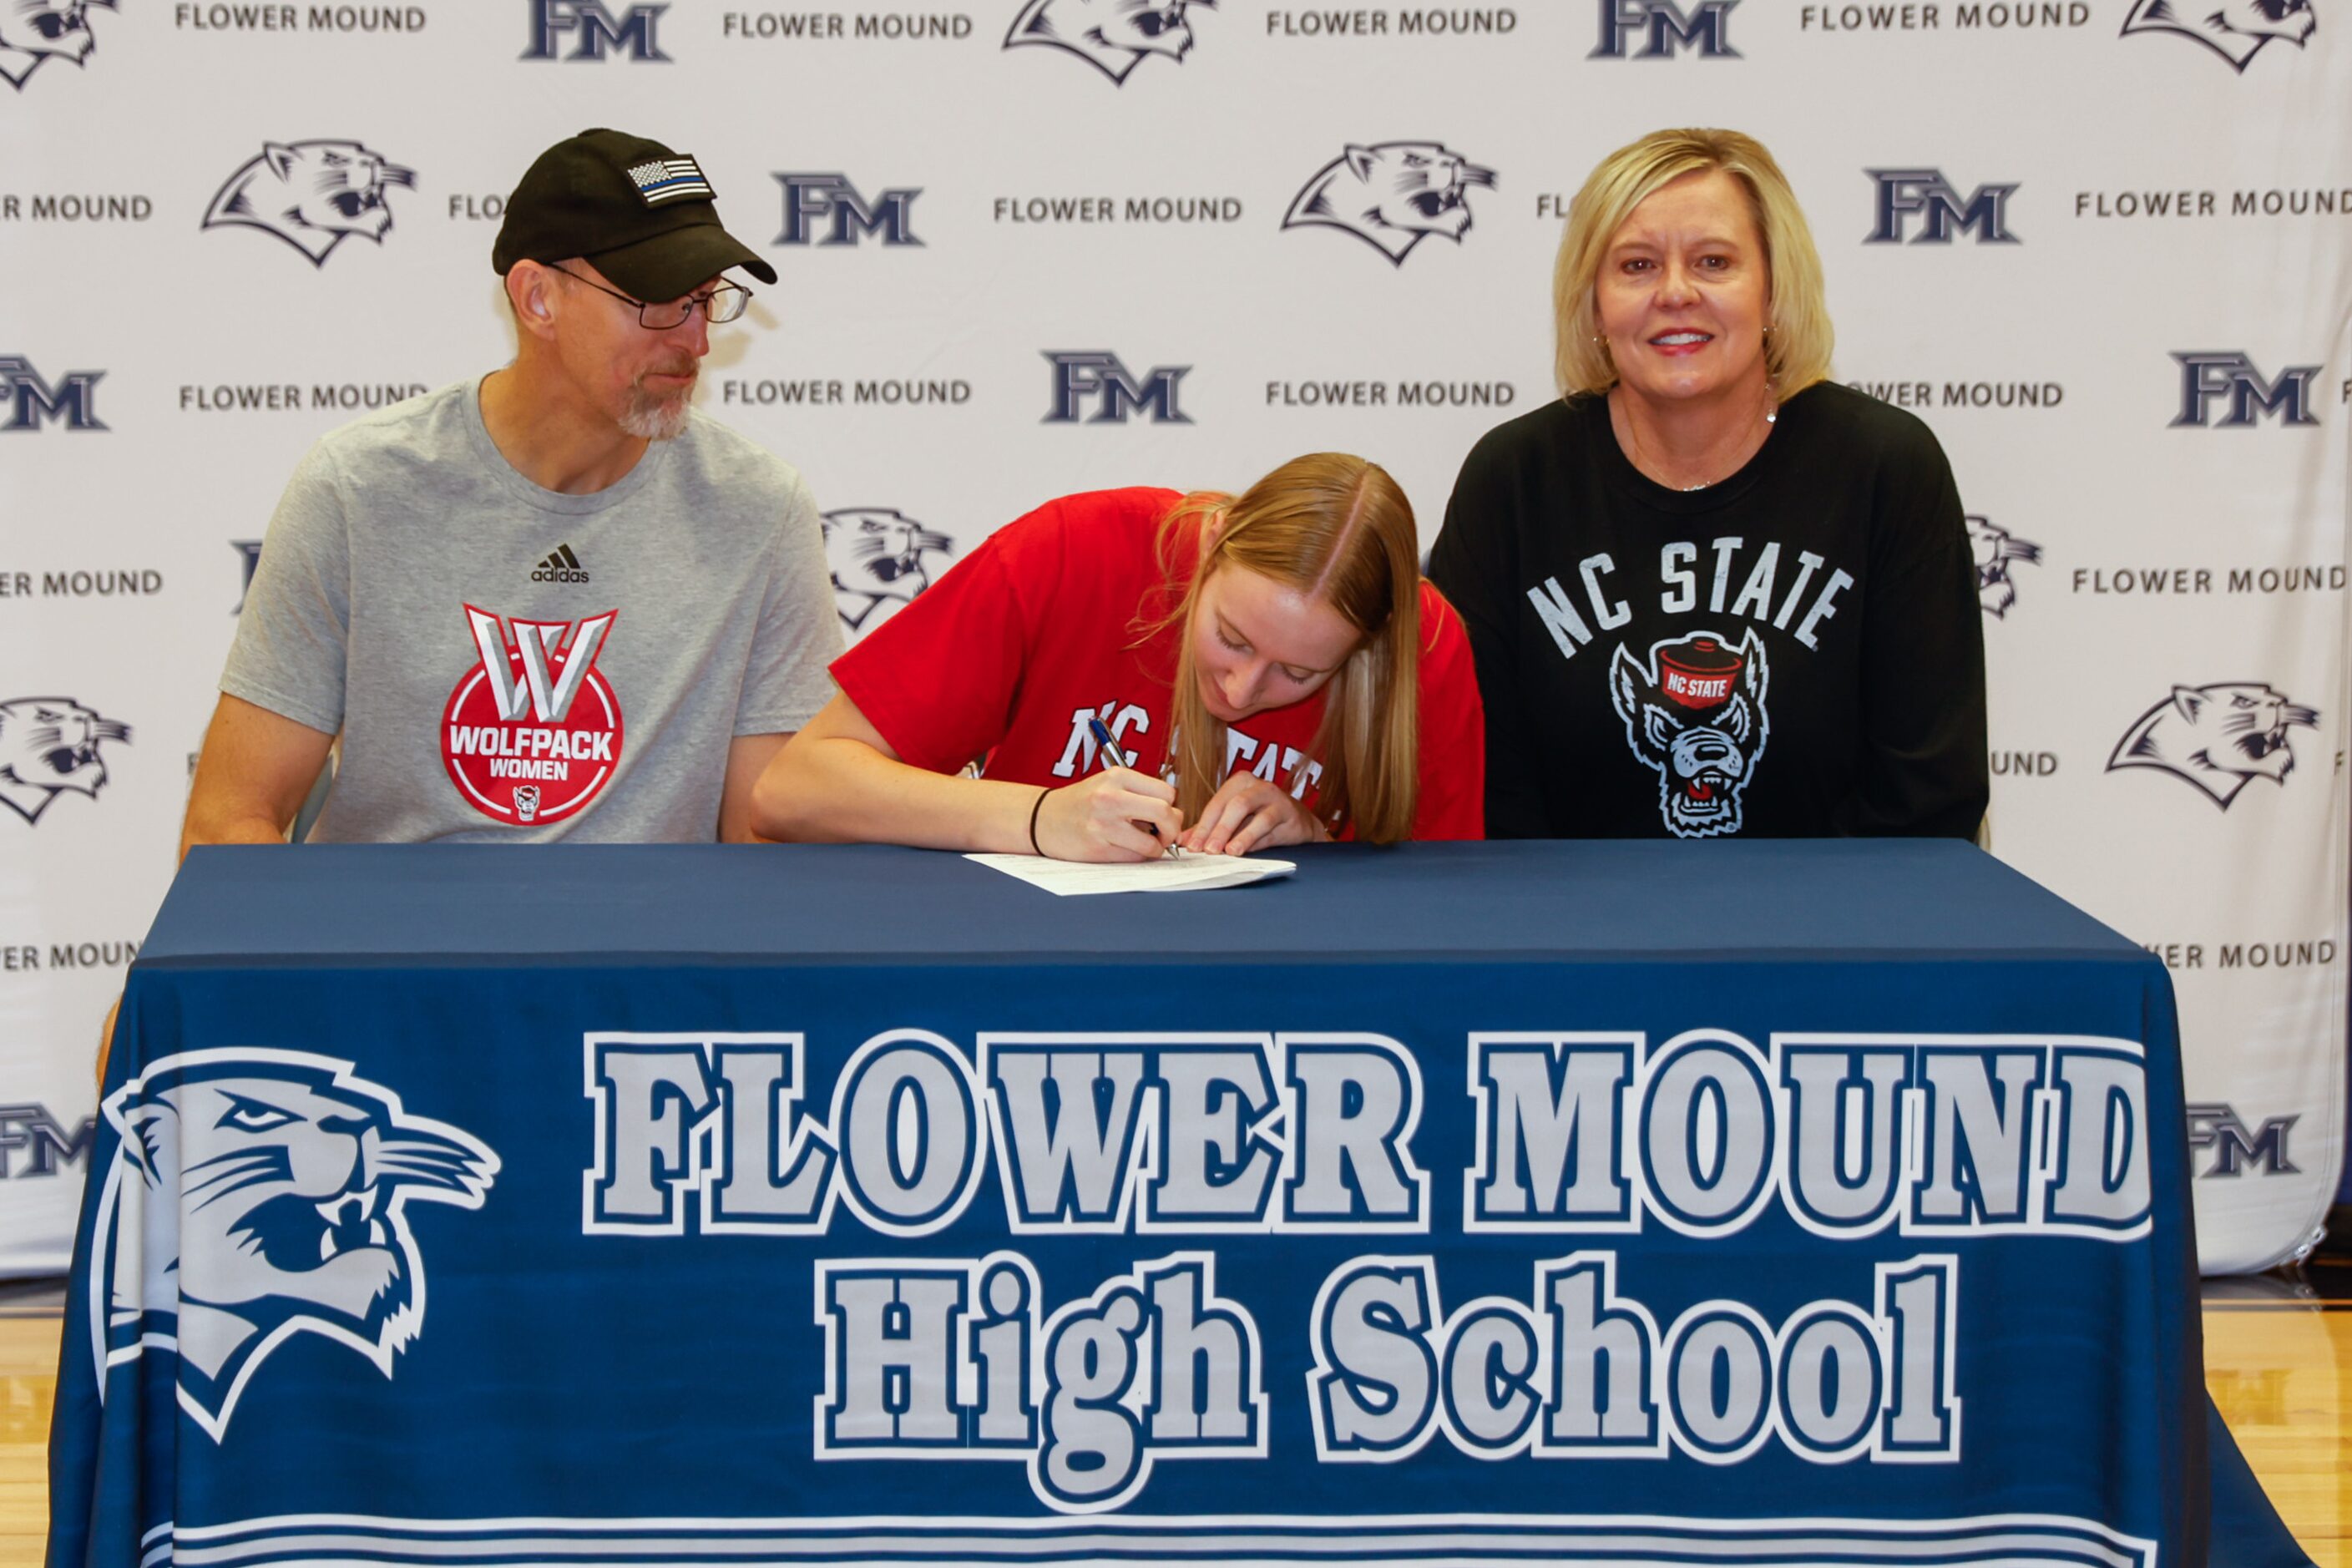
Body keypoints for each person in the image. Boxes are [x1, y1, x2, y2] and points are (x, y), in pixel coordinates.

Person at [181, 127, 842, 850]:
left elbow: (768, 836)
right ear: (537, 298)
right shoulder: (359, 487)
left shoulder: (759, 507)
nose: (694, 340)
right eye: (657, 302)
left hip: (643, 955)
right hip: (397, 953)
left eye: (704, 299)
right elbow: (228, 821)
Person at [1426, 128, 1986, 842]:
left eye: (1714, 261)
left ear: (1773, 291)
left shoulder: (1883, 467)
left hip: (1831, 938)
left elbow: (1930, 793)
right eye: (1636, 265)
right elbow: (1474, 780)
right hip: (1571, 936)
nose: (1675, 292)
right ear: (1594, 304)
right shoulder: (1513, 480)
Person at [752, 454, 1485, 859]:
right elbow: (792, 793)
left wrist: (1319, 846)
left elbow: (1447, 911)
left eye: (1297, 674)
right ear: (1212, 551)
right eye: (1230, 636)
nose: (1239, 687)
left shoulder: (1425, 646)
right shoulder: (1081, 549)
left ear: (1366, 649)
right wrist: (1039, 818)